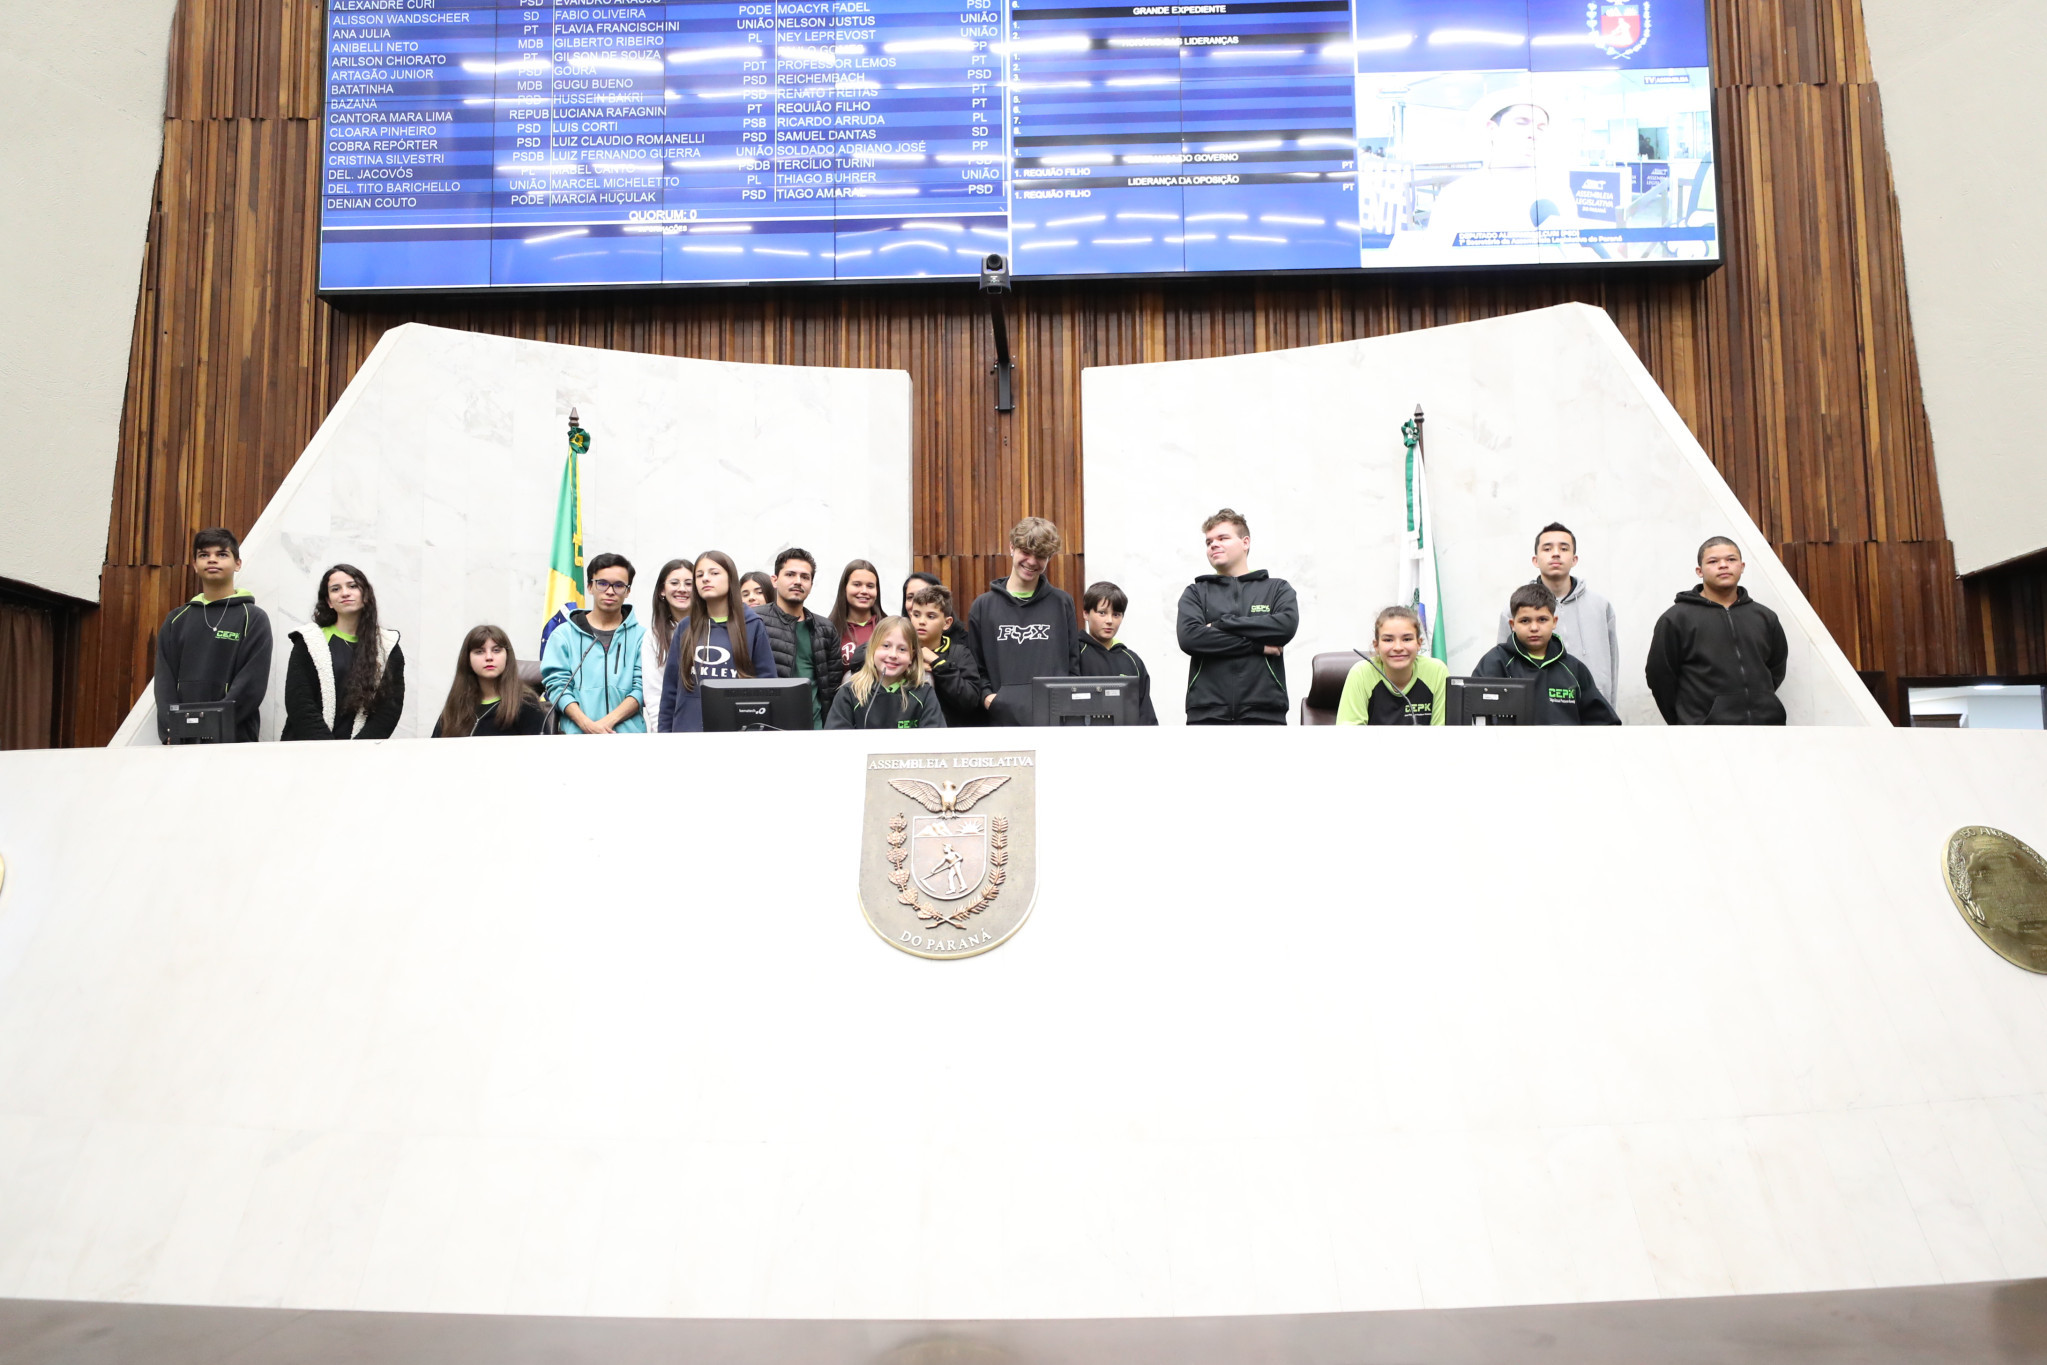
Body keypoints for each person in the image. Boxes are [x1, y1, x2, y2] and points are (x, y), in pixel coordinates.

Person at [1646, 536, 1789, 725]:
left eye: (1731, 559)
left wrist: (1762, 703)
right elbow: (1660, 677)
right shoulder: (1676, 619)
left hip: (1766, 728)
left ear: (1742, 566)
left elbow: (1776, 668)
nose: (1723, 565)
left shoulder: (1765, 617)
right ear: (1699, 571)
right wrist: (1687, 721)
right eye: (1713, 561)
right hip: (1705, 733)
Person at [1176, 508, 1298, 725]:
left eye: (1222, 538)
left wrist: (1222, 624)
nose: (1213, 545)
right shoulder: (1196, 593)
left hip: (1264, 712)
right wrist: (1256, 646)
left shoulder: (1277, 589)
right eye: (1209, 542)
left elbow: (1284, 627)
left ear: (1245, 542)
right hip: (1207, 714)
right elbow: (1190, 638)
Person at [154, 526, 274, 742]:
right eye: (204, 555)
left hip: (234, 738)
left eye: (222, 554)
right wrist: (172, 729)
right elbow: (164, 682)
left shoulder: (253, 618)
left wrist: (211, 726)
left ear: (238, 564)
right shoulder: (176, 620)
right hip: (182, 740)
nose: (212, 560)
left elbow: (251, 685)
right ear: (195, 565)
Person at [967, 517, 1081, 726]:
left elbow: (1073, 663)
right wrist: (988, 697)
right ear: (1012, 547)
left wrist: (1067, 704)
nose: (1032, 561)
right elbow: (975, 665)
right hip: (1002, 721)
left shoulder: (1062, 603)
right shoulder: (983, 606)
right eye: (1026, 552)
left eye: (1041, 556)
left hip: (1054, 721)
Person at [1495, 522, 1620, 705]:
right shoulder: (1515, 610)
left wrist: (1609, 711)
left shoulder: (1600, 606)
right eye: (1547, 548)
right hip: (1539, 711)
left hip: (1592, 711)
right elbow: (1501, 666)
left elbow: (1612, 665)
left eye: (1563, 548)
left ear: (1574, 559)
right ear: (1535, 560)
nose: (1555, 553)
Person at [282, 563, 405, 740]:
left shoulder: (387, 646)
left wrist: (356, 749)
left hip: (361, 752)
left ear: (366, 595)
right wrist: (328, 748)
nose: (345, 593)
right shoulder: (309, 640)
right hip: (307, 748)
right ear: (329, 602)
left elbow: (389, 709)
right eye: (335, 589)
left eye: (352, 586)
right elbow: (299, 701)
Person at [659, 549, 778, 732]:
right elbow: (670, 692)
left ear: (730, 579)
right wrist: (664, 735)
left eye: (714, 573)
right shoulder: (685, 627)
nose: (705, 579)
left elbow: (768, 686)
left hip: (737, 733)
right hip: (686, 734)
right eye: (699, 575)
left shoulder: (752, 625)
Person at [1473, 584, 1621, 725]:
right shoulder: (1496, 662)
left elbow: (1604, 722)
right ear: (1512, 625)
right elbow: (1474, 713)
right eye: (1525, 621)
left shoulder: (1574, 669)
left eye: (1542, 620)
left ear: (1554, 622)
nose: (1534, 627)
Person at [540, 551, 646, 734]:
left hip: (628, 739)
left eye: (619, 585)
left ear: (628, 591)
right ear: (590, 586)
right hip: (577, 738)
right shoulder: (563, 635)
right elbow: (558, 686)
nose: (610, 591)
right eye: (602, 583)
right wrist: (587, 725)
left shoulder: (642, 638)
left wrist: (604, 724)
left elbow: (642, 688)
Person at [759, 547, 842, 729]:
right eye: (790, 574)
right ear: (774, 580)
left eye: (805, 577)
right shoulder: (756, 621)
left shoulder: (825, 629)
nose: (798, 581)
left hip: (815, 728)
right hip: (767, 727)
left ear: (811, 584)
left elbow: (833, 688)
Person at [826, 615, 945, 729]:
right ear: (872, 649)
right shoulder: (850, 693)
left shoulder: (924, 693)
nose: (893, 655)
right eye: (886, 646)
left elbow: (935, 738)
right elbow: (836, 738)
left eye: (902, 649)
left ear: (911, 656)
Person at [1337, 606, 1447, 725]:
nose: (1398, 647)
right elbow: (1350, 734)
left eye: (1407, 639)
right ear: (1376, 645)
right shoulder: (1360, 674)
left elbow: (1443, 732)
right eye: (1388, 640)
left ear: (1419, 643)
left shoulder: (1437, 671)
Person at [432, 625, 548, 737]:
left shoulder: (526, 704)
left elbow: (540, 748)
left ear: (507, 656)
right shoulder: (457, 703)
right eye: (479, 651)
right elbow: (435, 746)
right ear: (467, 659)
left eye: (496, 650)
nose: (489, 657)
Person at [1076, 581, 1158, 725]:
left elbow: (1146, 714)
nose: (1109, 621)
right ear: (1086, 613)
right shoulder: (1074, 654)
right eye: (1102, 613)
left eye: (1116, 614)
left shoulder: (1133, 660)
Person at [907, 582, 988, 728]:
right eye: (916, 615)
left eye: (931, 616)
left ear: (947, 623)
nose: (921, 621)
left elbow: (969, 700)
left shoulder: (960, 654)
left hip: (948, 733)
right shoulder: (901, 652)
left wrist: (938, 664)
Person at [638, 557, 693, 734]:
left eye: (689, 583)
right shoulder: (653, 636)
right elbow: (654, 694)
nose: (682, 589)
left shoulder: (712, 628)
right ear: (662, 590)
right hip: (672, 729)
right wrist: (662, 734)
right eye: (674, 583)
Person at [830, 559, 883, 669]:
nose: (864, 591)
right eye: (857, 584)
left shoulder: (889, 627)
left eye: (870, 586)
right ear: (845, 588)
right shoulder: (829, 629)